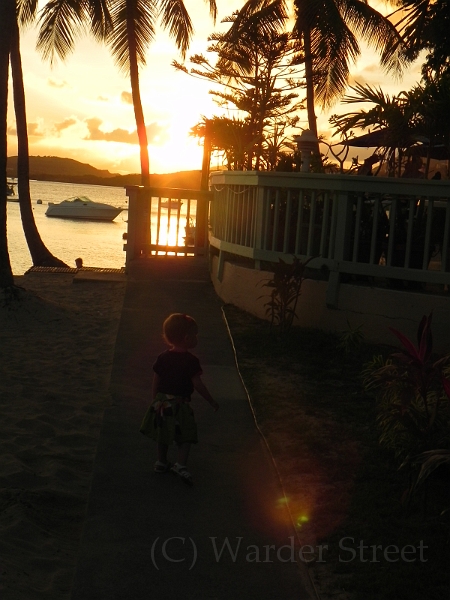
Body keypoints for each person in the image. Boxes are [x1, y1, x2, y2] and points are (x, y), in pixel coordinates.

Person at [140, 313, 219, 485]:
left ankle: (161, 462)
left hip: (162, 403)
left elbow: (156, 380)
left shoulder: (162, 357)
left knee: (163, 433)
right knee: (185, 435)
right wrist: (211, 401)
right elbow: (198, 384)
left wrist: (155, 400)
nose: (197, 338)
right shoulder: (192, 361)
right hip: (180, 404)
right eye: (195, 335)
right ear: (187, 338)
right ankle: (180, 464)